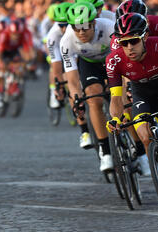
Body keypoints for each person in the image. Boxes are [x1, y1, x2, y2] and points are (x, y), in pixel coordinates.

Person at [60, 2, 114, 172]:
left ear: (95, 22)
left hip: (112, 60)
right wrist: (77, 99)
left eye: (85, 27)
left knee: (121, 99)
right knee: (93, 98)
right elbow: (73, 79)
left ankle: (140, 152)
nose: (81, 32)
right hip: (89, 64)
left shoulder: (109, 27)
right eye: (77, 28)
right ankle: (106, 153)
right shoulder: (67, 40)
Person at [106, 13, 156, 175]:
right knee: (144, 135)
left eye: (133, 41)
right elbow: (115, 97)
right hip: (141, 93)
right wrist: (115, 118)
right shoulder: (114, 60)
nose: (129, 47)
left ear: (145, 36)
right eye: (123, 43)